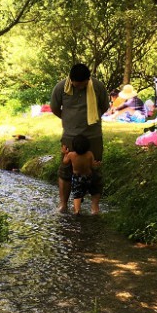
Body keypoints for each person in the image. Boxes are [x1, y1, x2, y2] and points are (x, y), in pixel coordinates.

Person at [50, 63, 110, 213]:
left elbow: (104, 106)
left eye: (83, 85)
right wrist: (69, 120)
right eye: (76, 85)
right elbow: (55, 108)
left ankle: (94, 207)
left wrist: (92, 119)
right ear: (71, 79)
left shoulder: (97, 86)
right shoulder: (61, 88)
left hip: (93, 135)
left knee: (95, 170)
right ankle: (63, 205)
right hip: (70, 136)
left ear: (88, 79)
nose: (79, 88)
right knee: (65, 170)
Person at [62, 135, 101, 215]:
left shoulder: (71, 155)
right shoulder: (89, 154)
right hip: (88, 177)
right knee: (90, 190)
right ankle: (95, 210)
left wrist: (65, 154)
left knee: (77, 195)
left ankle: (77, 210)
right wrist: (97, 164)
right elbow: (92, 165)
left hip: (77, 178)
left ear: (73, 146)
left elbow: (65, 162)